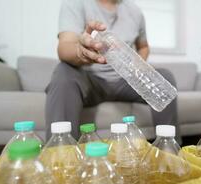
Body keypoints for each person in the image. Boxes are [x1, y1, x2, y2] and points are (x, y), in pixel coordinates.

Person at [45, 0, 180, 142]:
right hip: (90, 80)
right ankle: (61, 153)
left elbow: (144, 46)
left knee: (165, 76)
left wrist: (137, 65)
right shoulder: (76, 4)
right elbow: (64, 47)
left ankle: (170, 149)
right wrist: (81, 52)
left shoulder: (135, 11)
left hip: (125, 80)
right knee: (63, 72)